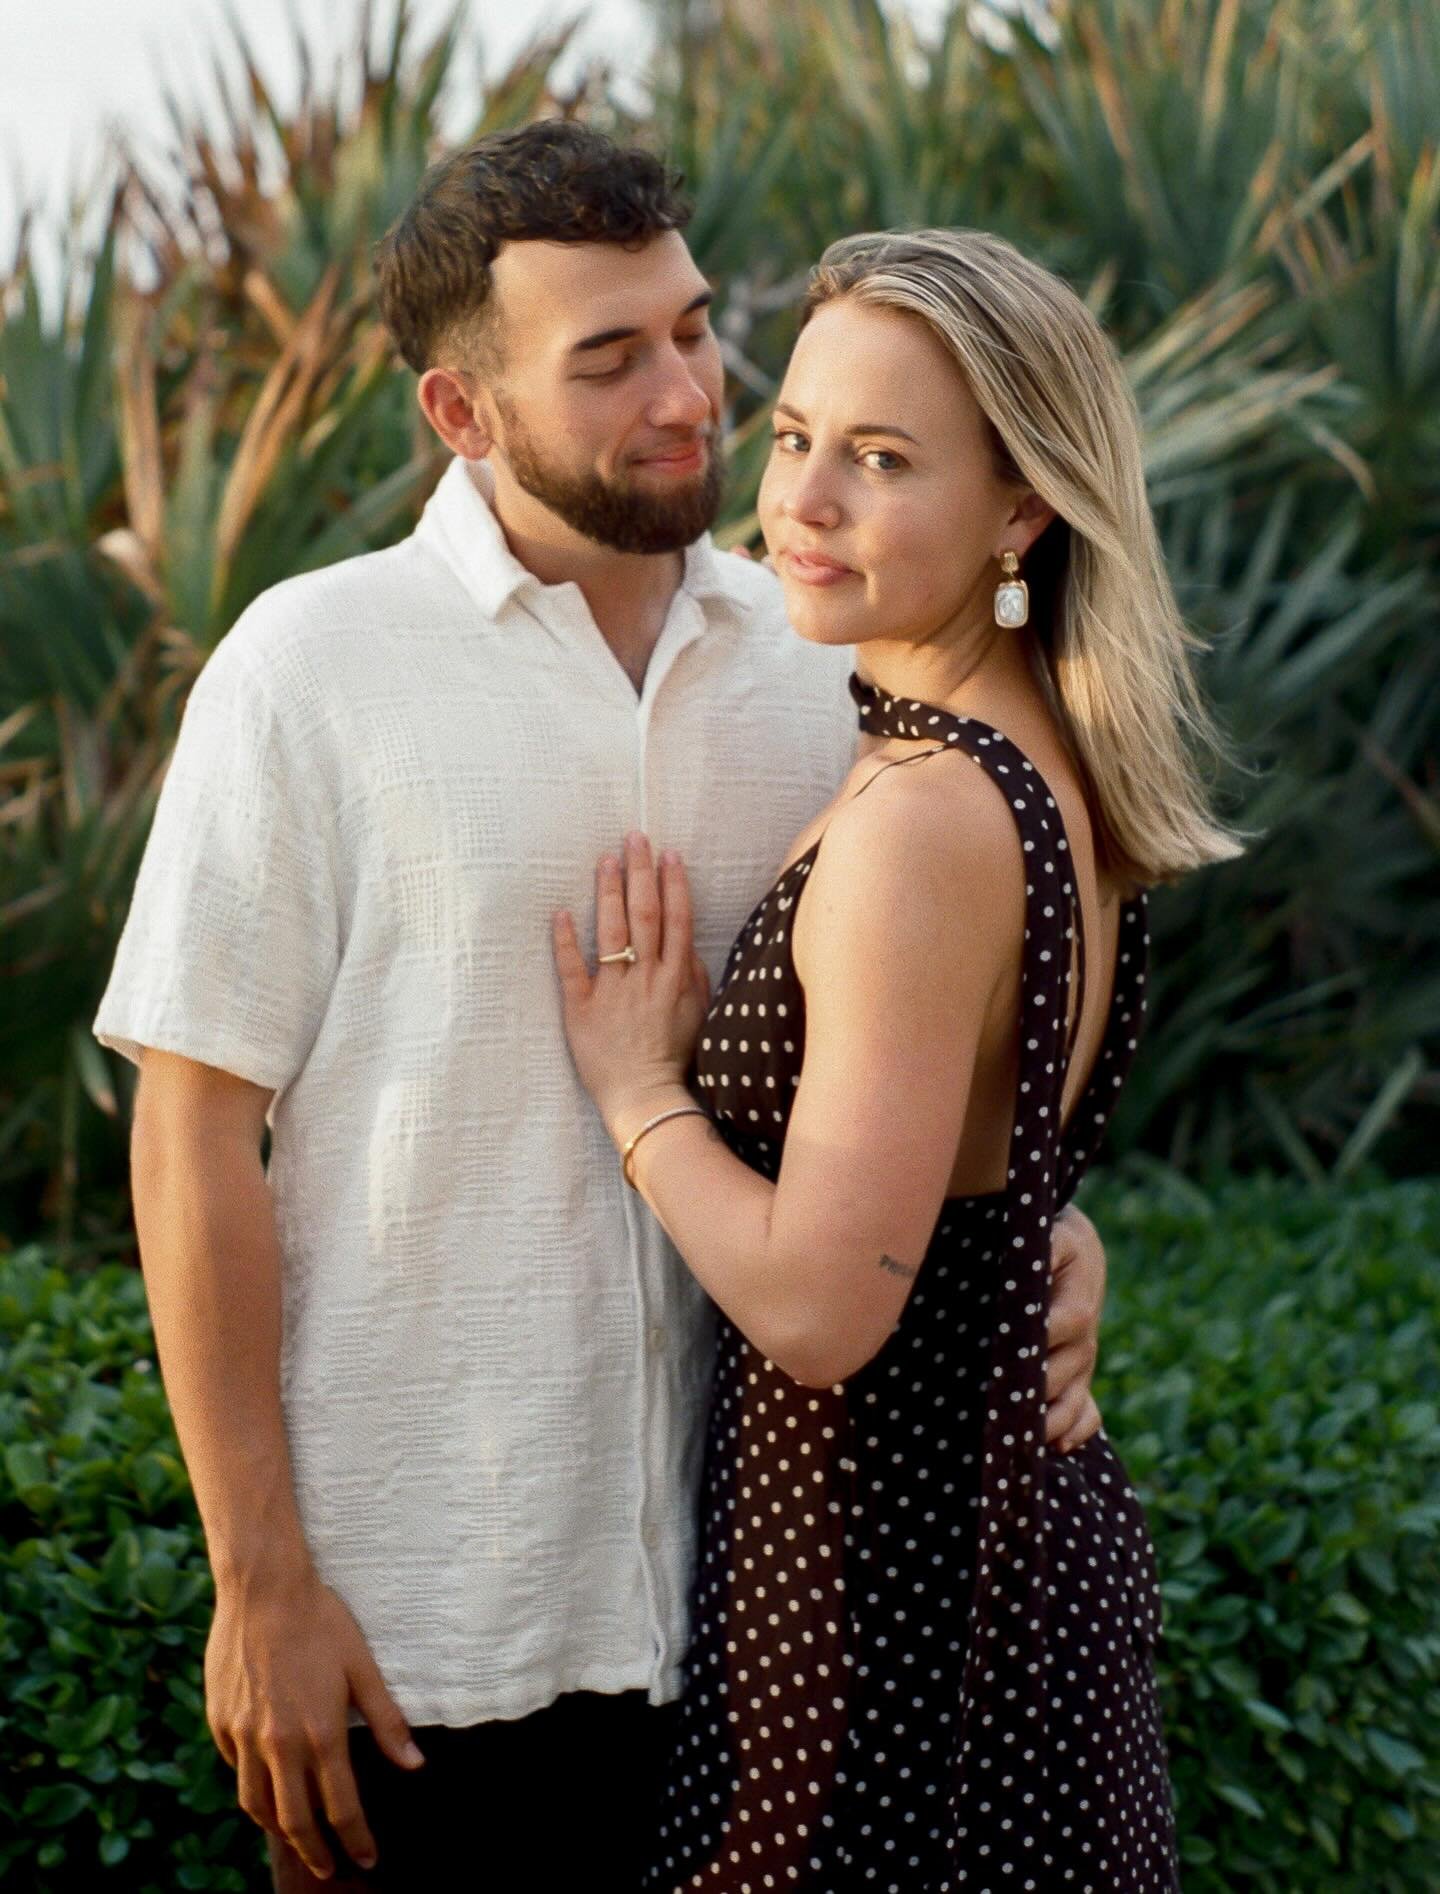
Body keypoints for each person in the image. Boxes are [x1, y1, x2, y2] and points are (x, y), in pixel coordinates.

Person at [93, 130, 1114, 1891]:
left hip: (770, 1637)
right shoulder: (307, 670)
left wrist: (1041, 1224)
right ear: (462, 413)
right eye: (610, 357)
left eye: (696, 328)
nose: (688, 394)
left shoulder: (824, 673)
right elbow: (192, 1137)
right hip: (427, 1644)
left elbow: (904, 1059)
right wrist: (258, 1578)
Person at [554, 226, 1242, 1892]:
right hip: (985, 1562)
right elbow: (983, 1177)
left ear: (1021, 511)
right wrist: (1047, 1241)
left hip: (890, 1604)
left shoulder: (928, 818)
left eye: (881, 460)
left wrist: (640, 1093)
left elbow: (819, 1302)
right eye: (794, 437)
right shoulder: (1027, 756)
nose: (802, 499)